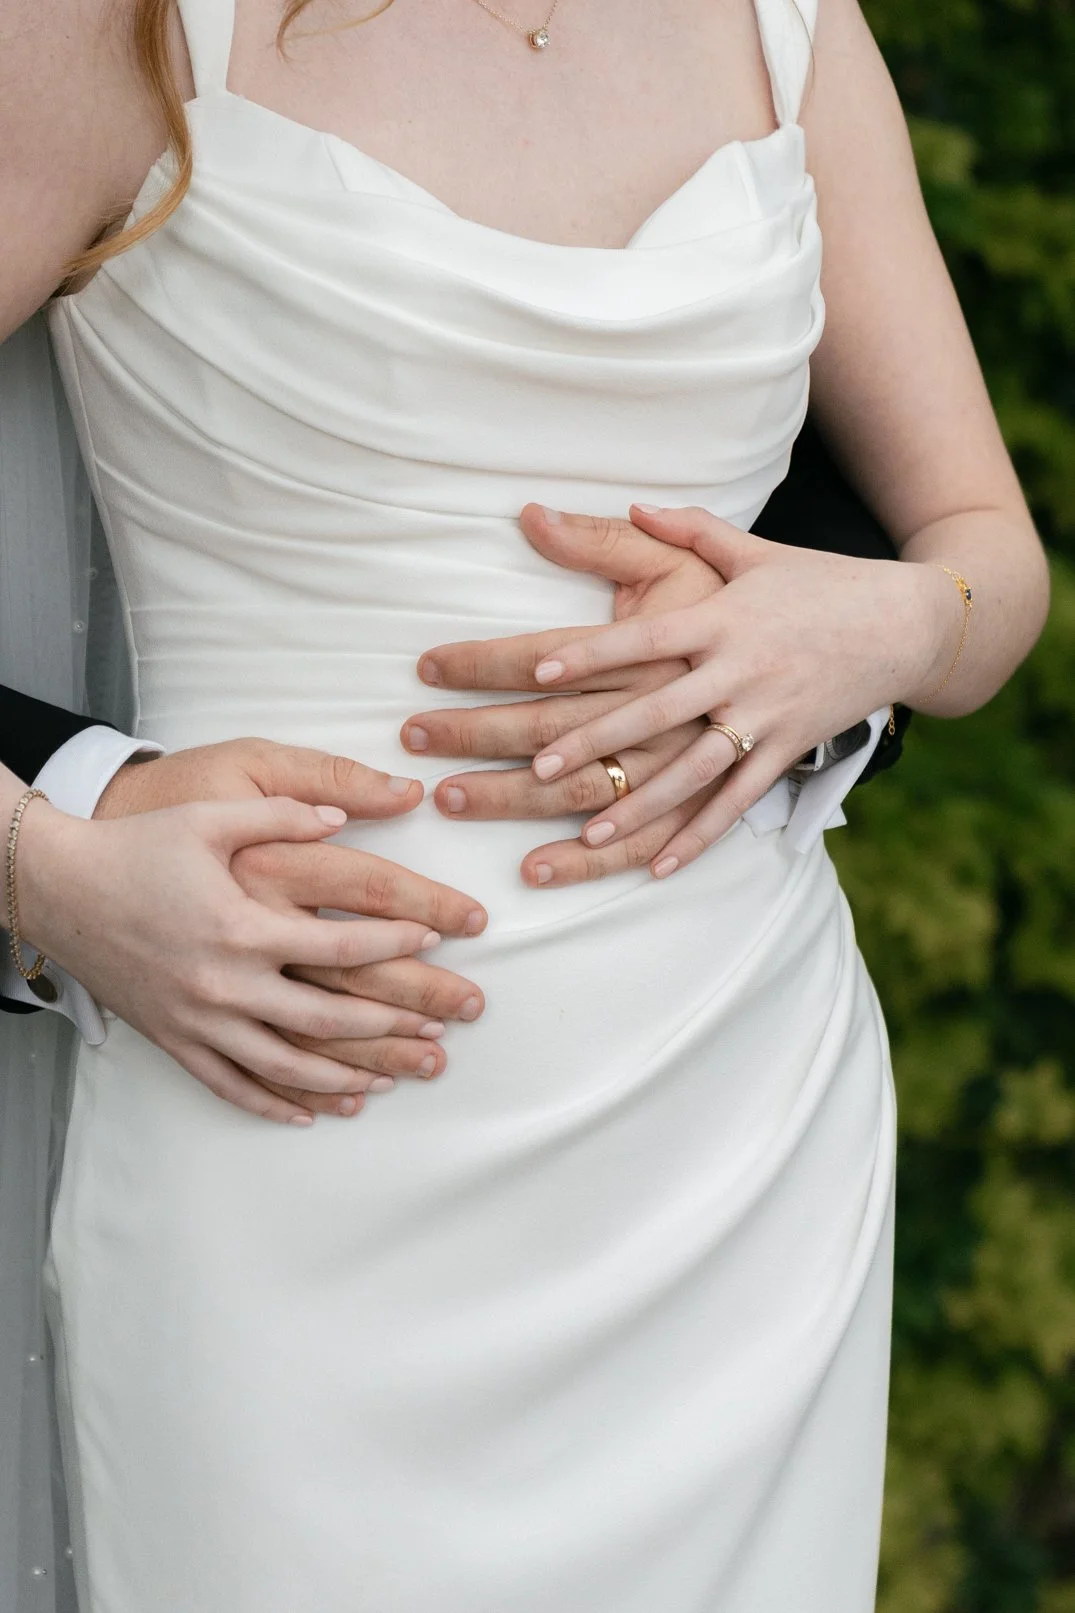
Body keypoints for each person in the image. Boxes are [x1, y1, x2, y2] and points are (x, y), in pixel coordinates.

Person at [0, 0, 1048, 1609]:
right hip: (296, 1112)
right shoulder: (110, 30)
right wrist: (46, 875)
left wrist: (885, 622)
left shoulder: (788, 30)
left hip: (736, 1124)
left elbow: (988, 554)